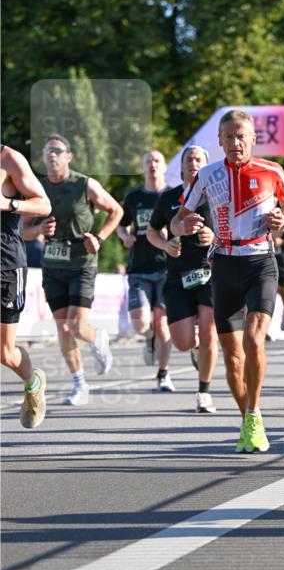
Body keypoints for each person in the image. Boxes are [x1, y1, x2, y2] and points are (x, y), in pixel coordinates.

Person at [171, 110, 284, 453]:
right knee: (233, 358)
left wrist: (283, 218)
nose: (235, 142)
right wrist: (180, 228)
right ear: (221, 141)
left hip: (260, 261)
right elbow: (178, 218)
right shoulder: (208, 175)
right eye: (229, 137)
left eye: (242, 136)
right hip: (224, 265)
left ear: (253, 139)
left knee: (255, 341)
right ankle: (248, 421)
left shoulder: (272, 171)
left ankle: (254, 414)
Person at [22, 134, 122, 405]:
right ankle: (80, 384)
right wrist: (39, 229)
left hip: (81, 262)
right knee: (63, 329)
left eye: (57, 150)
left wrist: (99, 238)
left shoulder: (84, 184)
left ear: (69, 156)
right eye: (47, 151)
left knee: (76, 325)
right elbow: (24, 230)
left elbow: (116, 211)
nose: (51, 155)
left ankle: (96, 336)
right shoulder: (38, 189)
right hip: (52, 264)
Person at [147, 145, 218, 413]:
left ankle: (204, 393)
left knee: (211, 333)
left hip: (211, 272)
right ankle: (194, 347)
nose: (193, 163)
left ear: (207, 166)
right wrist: (165, 246)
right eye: (189, 159)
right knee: (182, 341)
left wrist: (215, 238)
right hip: (178, 275)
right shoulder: (169, 198)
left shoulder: (218, 195)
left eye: (198, 159)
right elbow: (152, 232)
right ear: (181, 167)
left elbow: (235, 228)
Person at [0, 143, 50, 427]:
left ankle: (33, 384)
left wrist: (8, 203)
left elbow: (44, 204)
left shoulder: (9, 159)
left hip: (5, 265)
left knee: (5, 353)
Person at [117, 149, 174, 391]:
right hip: (139, 267)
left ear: (164, 167)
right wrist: (125, 237)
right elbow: (121, 225)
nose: (152, 165)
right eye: (148, 161)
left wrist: (171, 235)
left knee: (162, 324)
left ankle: (163, 374)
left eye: (157, 161)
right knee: (141, 324)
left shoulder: (172, 196)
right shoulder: (134, 197)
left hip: (165, 267)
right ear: (143, 167)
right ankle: (149, 338)